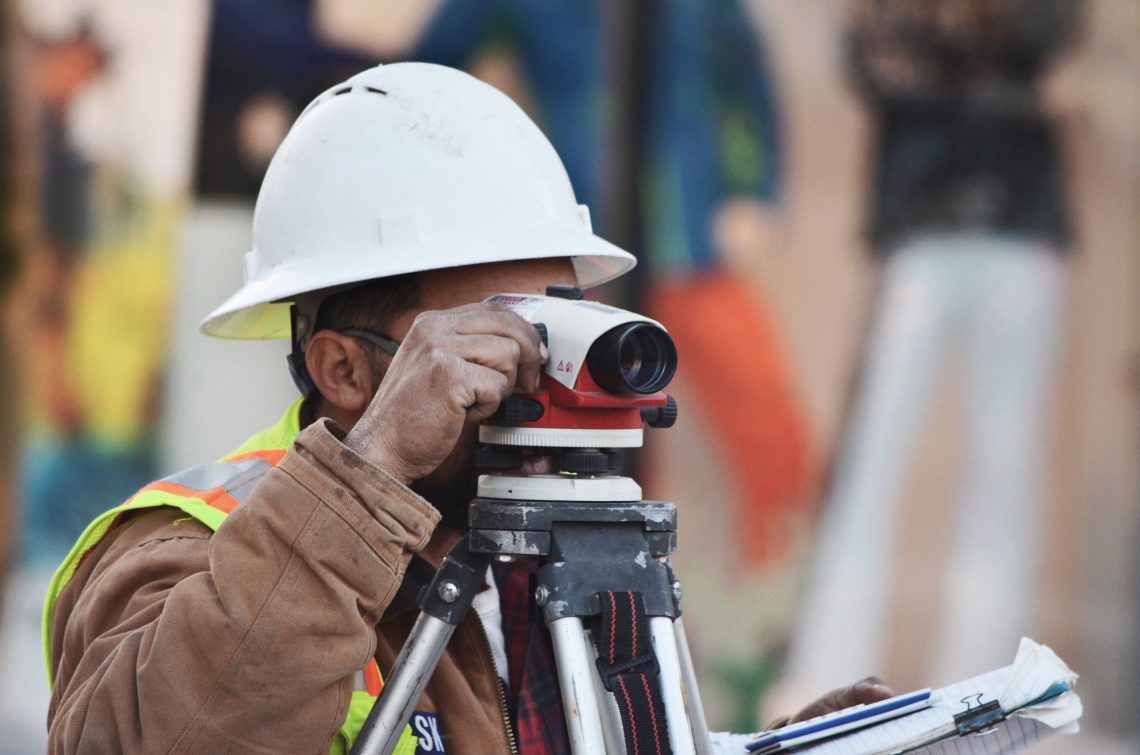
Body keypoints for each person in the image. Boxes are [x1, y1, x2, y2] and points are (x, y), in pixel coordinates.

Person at [44, 63, 889, 754]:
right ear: (342, 369)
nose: (540, 375)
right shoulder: (184, 540)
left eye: (557, 318)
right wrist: (373, 467)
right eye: (497, 336)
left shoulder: (562, 555)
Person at [779, 0, 1081, 701]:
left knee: (1004, 474)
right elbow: (872, 60)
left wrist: (963, 49)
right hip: (920, 227)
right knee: (871, 461)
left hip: (1019, 227)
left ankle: (981, 694)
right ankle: (826, 679)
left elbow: (1056, 39)